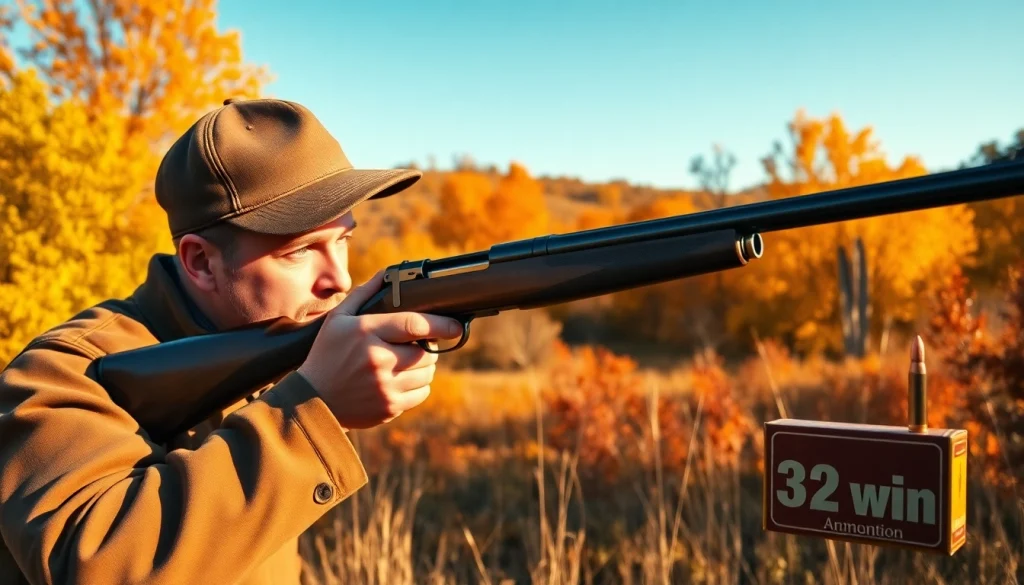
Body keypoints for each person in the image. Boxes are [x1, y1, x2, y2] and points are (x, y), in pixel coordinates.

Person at [0, 98, 464, 585]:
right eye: (300, 250)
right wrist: (312, 413)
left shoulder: (269, 354)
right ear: (200, 262)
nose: (340, 279)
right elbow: (98, 569)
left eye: (343, 240)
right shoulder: (64, 372)